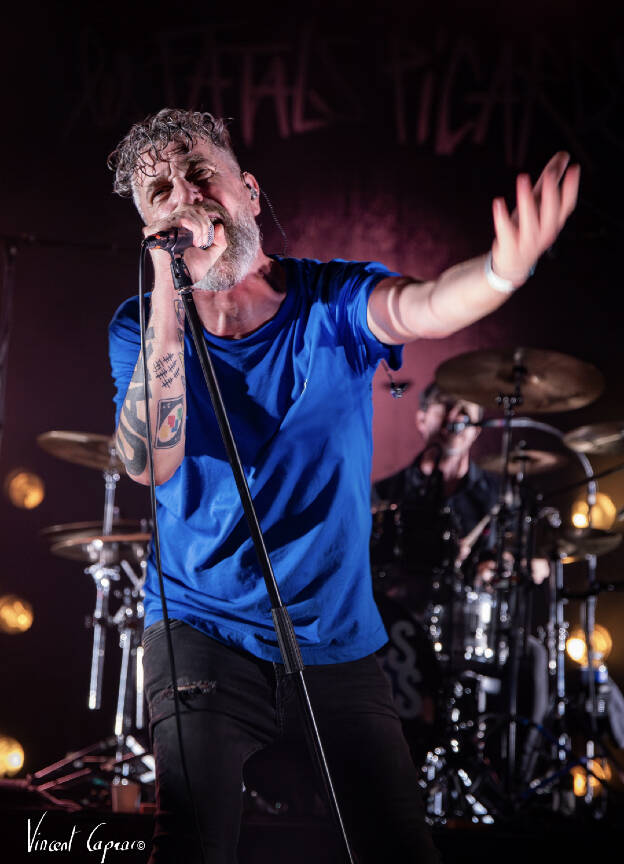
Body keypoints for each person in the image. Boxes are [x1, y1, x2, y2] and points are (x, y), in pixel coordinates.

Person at [107, 107, 579, 863]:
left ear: (248, 191)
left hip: (332, 635)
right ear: (148, 227)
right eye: (161, 193)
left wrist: (500, 271)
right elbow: (150, 463)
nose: (186, 198)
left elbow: (425, 305)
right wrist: (168, 279)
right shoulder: (141, 325)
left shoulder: (331, 300)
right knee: (191, 842)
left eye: (199, 175)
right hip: (201, 627)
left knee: (398, 847)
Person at [373, 382, 550, 784]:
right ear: (422, 419)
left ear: (476, 427)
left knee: (533, 657)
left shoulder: (501, 498)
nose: (456, 417)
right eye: (445, 407)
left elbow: (537, 563)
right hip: (405, 631)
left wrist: (503, 565)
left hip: (476, 628)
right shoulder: (385, 495)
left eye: (465, 410)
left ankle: (511, 784)